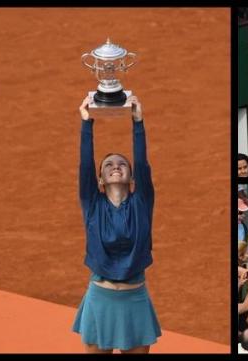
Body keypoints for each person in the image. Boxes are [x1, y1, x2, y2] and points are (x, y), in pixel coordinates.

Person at [73, 95, 161, 353]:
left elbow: (143, 163)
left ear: (132, 176)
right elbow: (85, 166)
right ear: (100, 179)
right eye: (108, 165)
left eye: (122, 164)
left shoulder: (142, 201)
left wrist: (138, 122)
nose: (115, 167)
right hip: (100, 299)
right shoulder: (92, 203)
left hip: (135, 299)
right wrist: (87, 124)